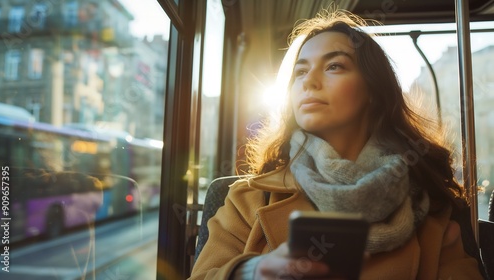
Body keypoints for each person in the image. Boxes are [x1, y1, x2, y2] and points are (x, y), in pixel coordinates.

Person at [189, 9, 485, 280]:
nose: (309, 82)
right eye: (300, 72)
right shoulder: (248, 199)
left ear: (373, 90)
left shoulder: (431, 207)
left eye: (334, 66)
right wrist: (252, 271)